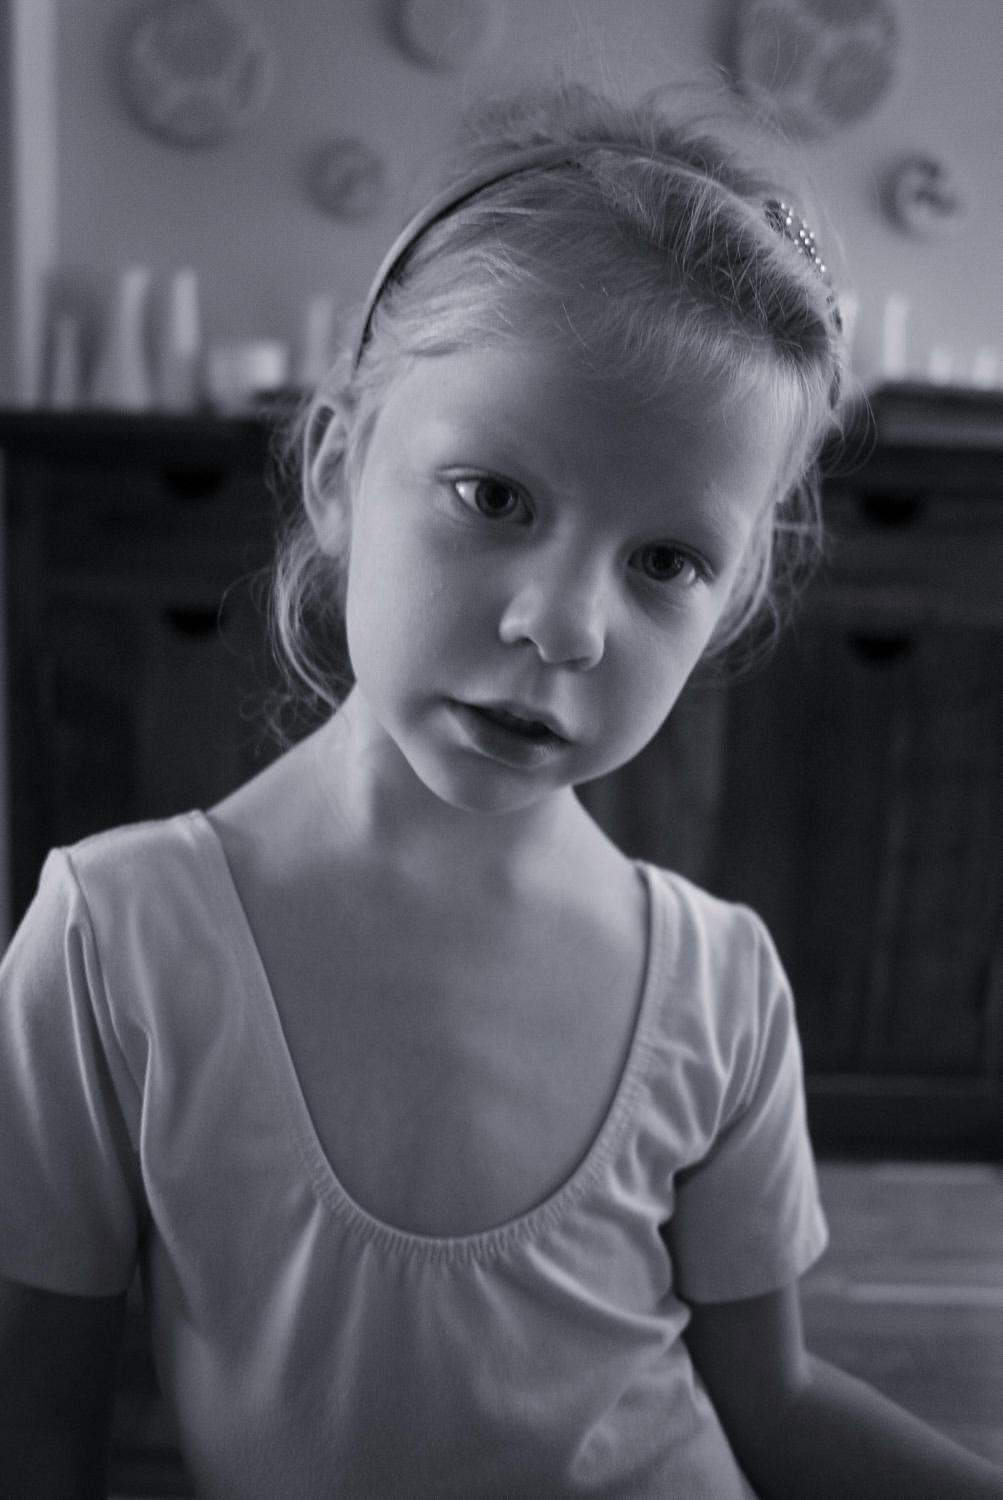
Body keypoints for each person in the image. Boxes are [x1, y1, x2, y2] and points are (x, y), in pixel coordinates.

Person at [1, 77, 1000, 1500]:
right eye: (494, 498)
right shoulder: (116, 945)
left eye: (666, 561)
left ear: (729, 604)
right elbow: (40, 1431)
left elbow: (766, 1401)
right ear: (343, 470)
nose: (567, 624)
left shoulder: (719, 986)